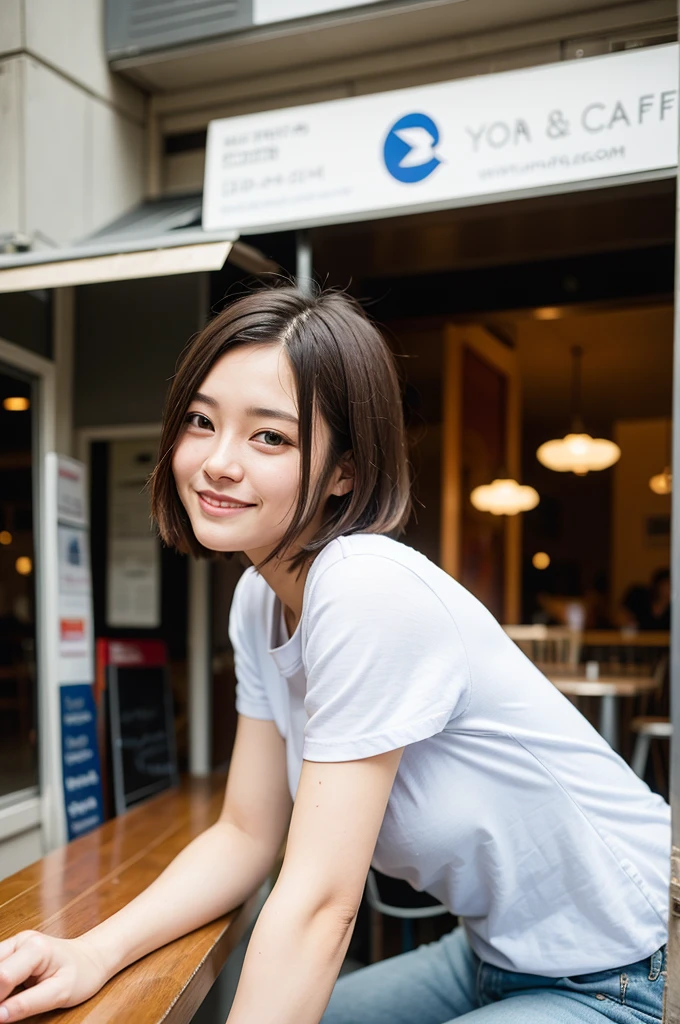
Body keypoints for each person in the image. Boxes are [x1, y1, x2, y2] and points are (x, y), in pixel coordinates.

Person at [0, 286, 669, 1024]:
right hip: (494, 953)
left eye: (270, 438)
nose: (218, 461)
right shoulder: (259, 600)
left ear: (345, 471)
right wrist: (91, 952)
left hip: (632, 963)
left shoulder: (363, 586)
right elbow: (248, 834)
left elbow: (321, 905)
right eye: (200, 420)